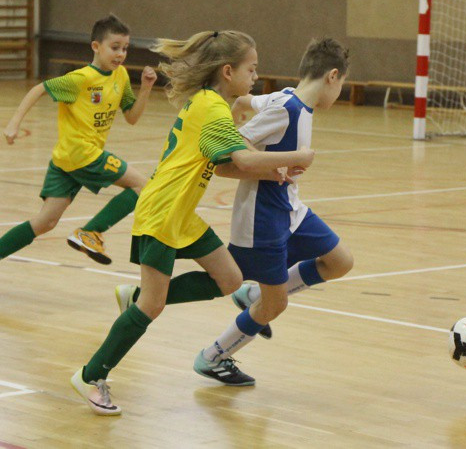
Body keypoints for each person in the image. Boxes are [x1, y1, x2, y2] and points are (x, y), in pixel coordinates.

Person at [70, 30, 315, 415]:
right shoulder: (212, 108)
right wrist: (298, 156)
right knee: (152, 306)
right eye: (251, 69)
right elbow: (245, 160)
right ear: (228, 71)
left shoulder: (208, 102)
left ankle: (136, 299)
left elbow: (231, 161)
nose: (256, 76)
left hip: (181, 214)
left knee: (230, 279)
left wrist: (274, 171)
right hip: (162, 212)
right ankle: (90, 375)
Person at [187, 37, 355, 386]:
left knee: (340, 261)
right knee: (275, 305)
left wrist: (239, 103)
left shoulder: (289, 98)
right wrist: (283, 161)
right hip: (262, 218)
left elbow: (251, 101)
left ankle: (252, 295)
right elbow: (236, 143)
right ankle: (214, 356)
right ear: (332, 76)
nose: (339, 92)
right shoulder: (287, 109)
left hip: (290, 208)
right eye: (342, 84)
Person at [0, 15, 156, 297]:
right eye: (115, 47)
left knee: (45, 222)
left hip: (65, 160)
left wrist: (146, 88)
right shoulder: (80, 79)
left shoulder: (121, 76)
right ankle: (91, 232)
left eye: (125, 48)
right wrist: (14, 122)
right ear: (96, 46)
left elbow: (132, 117)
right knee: (143, 186)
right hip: (82, 154)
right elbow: (38, 89)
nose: (121, 54)